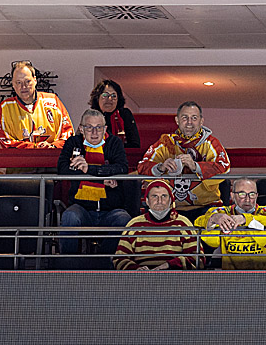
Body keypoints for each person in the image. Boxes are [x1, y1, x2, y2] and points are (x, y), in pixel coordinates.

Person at [56, 109, 132, 255]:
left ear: (105, 129)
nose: (94, 132)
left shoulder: (114, 142)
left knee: (124, 219)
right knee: (69, 216)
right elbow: (63, 169)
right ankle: (66, 266)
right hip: (82, 208)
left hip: (110, 209)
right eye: (89, 127)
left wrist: (88, 169)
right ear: (81, 129)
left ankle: (104, 263)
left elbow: (122, 169)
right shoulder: (73, 142)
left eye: (98, 128)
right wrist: (103, 178)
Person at [136, 101, 231, 214]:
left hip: (207, 207)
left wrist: (196, 166)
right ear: (177, 120)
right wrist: (161, 167)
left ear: (201, 121)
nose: (189, 122)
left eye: (194, 118)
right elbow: (142, 166)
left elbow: (224, 168)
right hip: (168, 209)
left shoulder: (211, 143)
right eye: (185, 118)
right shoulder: (165, 143)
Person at [195, 178, 266, 270]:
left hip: (265, 276)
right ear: (232, 196)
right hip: (232, 278)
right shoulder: (223, 212)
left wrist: (245, 219)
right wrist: (214, 218)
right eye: (242, 194)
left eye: (252, 194)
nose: (247, 199)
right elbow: (199, 223)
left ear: (257, 196)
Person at [113, 179, 198, 271]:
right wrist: (136, 269)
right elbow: (119, 259)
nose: (159, 201)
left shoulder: (183, 223)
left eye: (164, 196)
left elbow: (197, 259)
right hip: (141, 280)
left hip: (175, 277)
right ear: (147, 201)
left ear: (170, 200)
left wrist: (168, 266)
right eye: (154, 196)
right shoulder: (134, 224)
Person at [0, 60, 73, 149]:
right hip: (20, 161)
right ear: (13, 85)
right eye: (19, 82)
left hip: (53, 159)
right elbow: (3, 141)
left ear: (35, 80)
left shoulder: (53, 101)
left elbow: (68, 134)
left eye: (27, 81)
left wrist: (53, 146)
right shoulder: (6, 107)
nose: (23, 86)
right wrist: (33, 147)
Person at [90, 78, 140, 148]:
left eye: (114, 96)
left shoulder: (124, 114)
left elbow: (135, 144)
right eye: (105, 95)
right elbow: (79, 142)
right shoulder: (90, 116)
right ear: (97, 98)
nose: (110, 99)